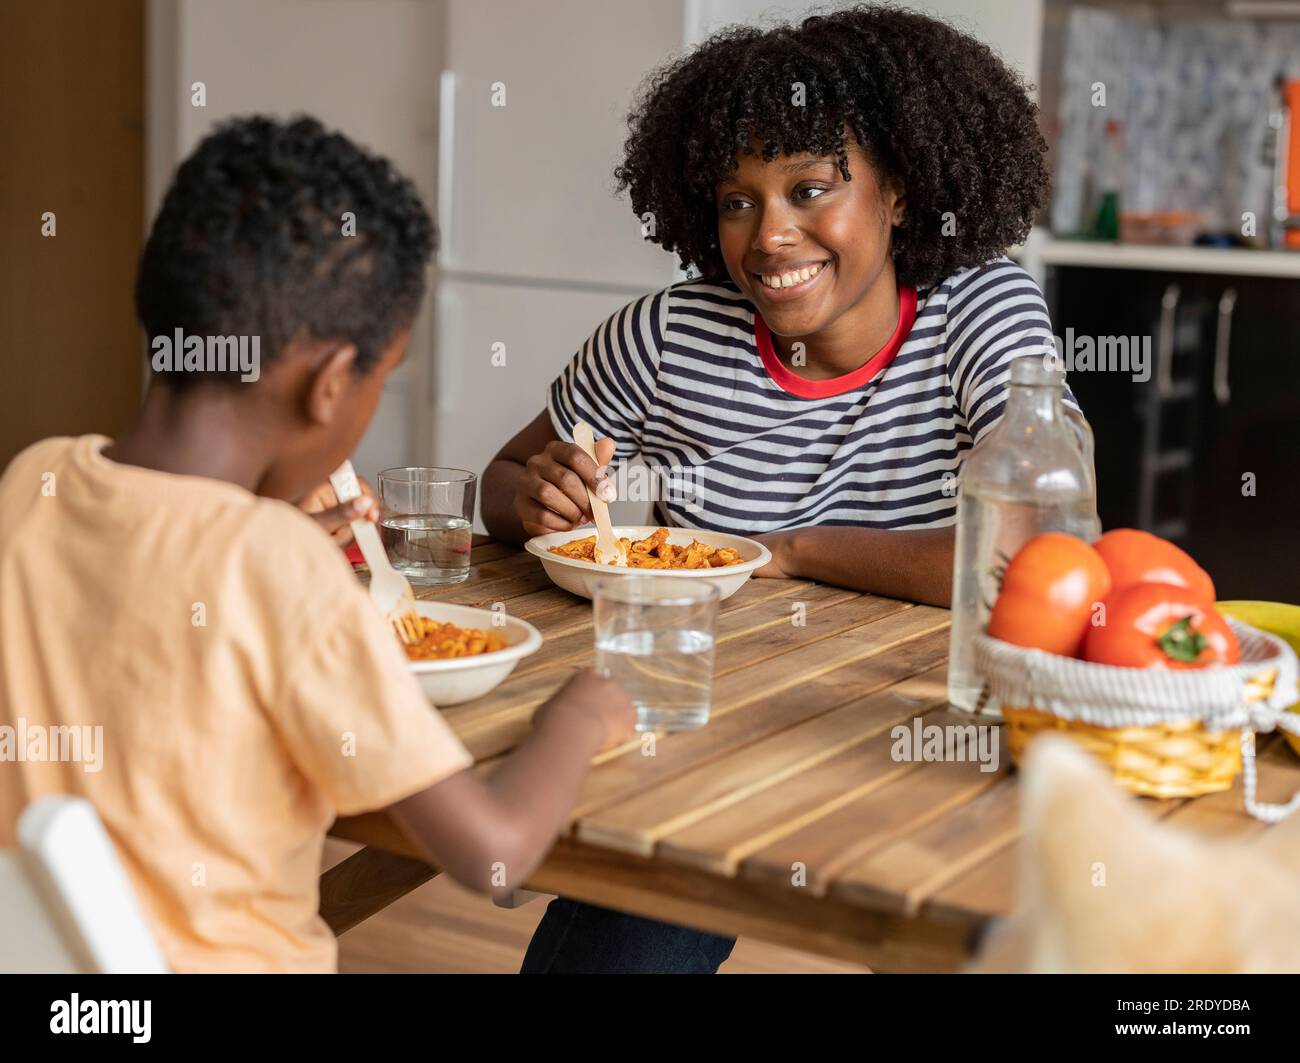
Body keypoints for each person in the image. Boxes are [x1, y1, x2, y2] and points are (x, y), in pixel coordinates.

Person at [485, 5, 1083, 973]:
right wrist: (535, 499)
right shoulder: (667, 334)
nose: (769, 236)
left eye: (810, 190)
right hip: (714, 712)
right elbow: (502, 482)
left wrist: (785, 548)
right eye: (736, 200)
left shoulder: (982, 307)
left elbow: (1032, 552)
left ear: (899, 191)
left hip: (915, 714)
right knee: (639, 916)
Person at [0, 115, 633, 973]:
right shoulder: (279, 568)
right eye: (382, 378)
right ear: (334, 382)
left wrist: (265, 545)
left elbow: (159, 580)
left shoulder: (35, 480)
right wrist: (577, 715)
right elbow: (494, 855)